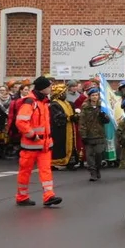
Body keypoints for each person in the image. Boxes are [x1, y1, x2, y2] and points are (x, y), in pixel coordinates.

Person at [14, 76, 62, 207]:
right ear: (43, 88)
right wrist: (32, 135)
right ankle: (22, 196)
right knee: (25, 172)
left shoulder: (44, 101)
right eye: (49, 86)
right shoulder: (31, 102)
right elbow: (21, 121)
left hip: (44, 144)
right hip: (31, 144)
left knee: (46, 171)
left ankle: (49, 196)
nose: (51, 88)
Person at [76, 86, 109, 181]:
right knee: (89, 155)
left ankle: (98, 168)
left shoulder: (102, 106)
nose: (95, 97)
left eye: (96, 95)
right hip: (89, 134)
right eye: (93, 95)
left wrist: (104, 117)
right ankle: (92, 172)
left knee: (99, 154)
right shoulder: (85, 107)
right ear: (89, 96)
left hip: (99, 134)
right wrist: (83, 135)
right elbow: (82, 122)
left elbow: (107, 121)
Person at [48, 84, 76, 169]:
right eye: (64, 93)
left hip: (69, 127)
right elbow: (57, 117)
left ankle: (70, 161)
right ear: (59, 94)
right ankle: (54, 162)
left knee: (70, 145)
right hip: (59, 130)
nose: (65, 95)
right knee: (59, 146)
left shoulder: (67, 103)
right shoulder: (54, 104)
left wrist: (75, 116)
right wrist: (68, 118)